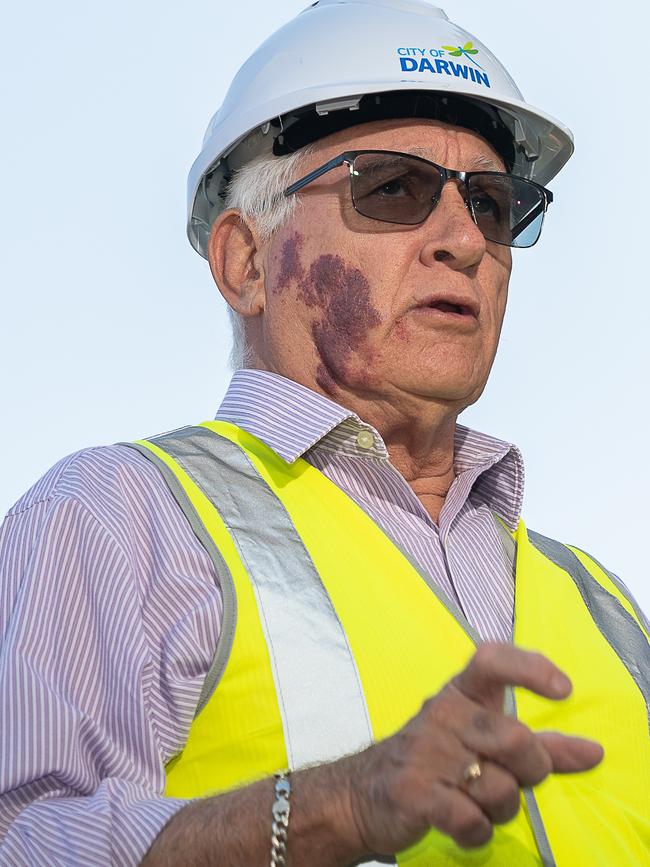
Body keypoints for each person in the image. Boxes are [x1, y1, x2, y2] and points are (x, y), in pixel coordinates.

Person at [1, 1, 648, 865]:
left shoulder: (606, 608)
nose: (465, 239)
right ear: (246, 261)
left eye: (495, 204)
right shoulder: (120, 520)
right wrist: (335, 807)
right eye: (393, 188)